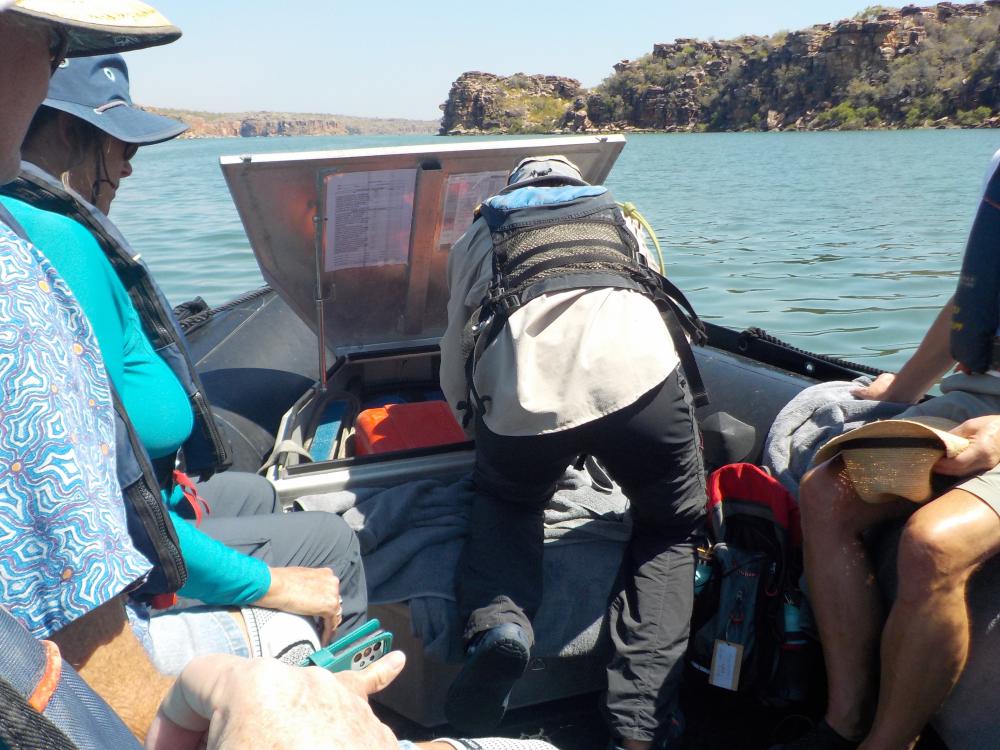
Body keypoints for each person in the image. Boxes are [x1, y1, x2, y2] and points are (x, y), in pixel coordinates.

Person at [0, 52, 367, 670]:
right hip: (129, 551)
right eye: (123, 148)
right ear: (67, 131)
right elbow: (102, 510)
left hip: (155, 504)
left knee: (252, 490)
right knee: (331, 542)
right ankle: (338, 702)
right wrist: (265, 583)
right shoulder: (54, 239)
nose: (129, 167)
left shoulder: (35, 223)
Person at [438, 155, 707, 749]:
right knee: (668, 529)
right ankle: (638, 728)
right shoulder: (619, 217)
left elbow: (457, 343)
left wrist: (474, 425)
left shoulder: (481, 231)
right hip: (638, 380)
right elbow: (658, 307)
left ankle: (501, 627)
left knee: (509, 504)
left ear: (514, 189)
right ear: (576, 185)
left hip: (525, 390)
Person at [772, 153, 1000, 750]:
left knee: (934, 543)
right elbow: (971, 300)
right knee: (829, 492)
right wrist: (901, 392)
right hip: (975, 396)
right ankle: (844, 721)